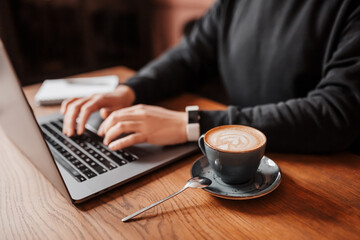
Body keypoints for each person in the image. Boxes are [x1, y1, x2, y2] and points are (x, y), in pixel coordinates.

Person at [61, 0, 360, 153]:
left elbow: (336, 113)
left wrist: (191, 125)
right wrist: (130, 91)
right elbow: (192, 53)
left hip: (324, 172)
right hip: (236, 163)